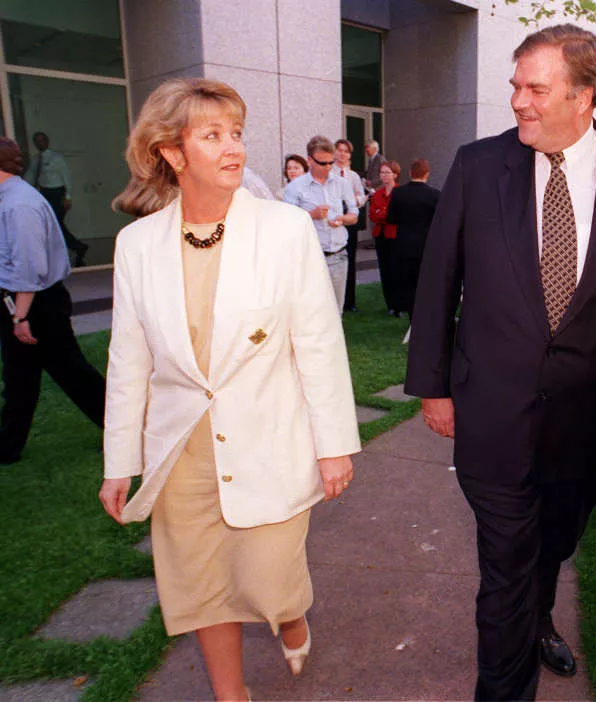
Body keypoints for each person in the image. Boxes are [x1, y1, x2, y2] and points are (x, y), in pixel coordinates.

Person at [406, 24, 596, 701]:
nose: (517, 101)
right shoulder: (479, 165)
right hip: (491, 412)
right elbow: (440, 281)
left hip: (587, 420)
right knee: (507, 567)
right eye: (515, 85)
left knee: (552, 544)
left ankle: (540, 615)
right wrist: (432, 385)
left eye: (535, 88)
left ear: (585, 96)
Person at [100, 78, 361, 702]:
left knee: (272, 582)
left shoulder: (285, 229)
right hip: (182, 449)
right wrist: (119, 463)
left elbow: (318, 344)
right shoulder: (137, 245)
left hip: (267, 436)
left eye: (237, 133)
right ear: (172, 152)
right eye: (212, 135)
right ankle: (230, 694)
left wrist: (334, 445)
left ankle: (290, 616)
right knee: (200, 583)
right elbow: (128, 361)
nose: (233, 148)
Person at [0, 138, 105, 465]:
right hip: (25, 301)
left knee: (73, 373)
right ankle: (8, 446)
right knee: (20, 377)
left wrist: (20, 318)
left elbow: (31, 268)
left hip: (34, 304)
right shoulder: (12, 199)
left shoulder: (19, 205)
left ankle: (127, 431)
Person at [284, 136, 358, 314]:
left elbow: (354, 215)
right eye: (322, 163)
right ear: (310, 160)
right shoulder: (296, 187)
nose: (328, 168)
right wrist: (312, 215)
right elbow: (287, 221)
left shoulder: (341, 183)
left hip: (339, 255)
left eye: (330, 163)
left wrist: (341, 219)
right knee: (313, 312)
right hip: (312, 257)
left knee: (336, 311)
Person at [386, 158, 440, 320]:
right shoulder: (435, 195)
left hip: (404, 244)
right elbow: (439, 221)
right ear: (427, 174)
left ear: (410, 173)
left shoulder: (398, 193)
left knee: (408, 283)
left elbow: (391, 219)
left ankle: (412, 318)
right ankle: (426, 317)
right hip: (426, 245)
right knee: (426, 283)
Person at [24, 132, 89, 266]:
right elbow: (30, 177)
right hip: (44, 193)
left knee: (56, 224)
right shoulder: (36, 159)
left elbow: (66, 177)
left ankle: (78, 247)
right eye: (36, 141)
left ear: (47, 141)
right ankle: (76, 247)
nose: (39, 143)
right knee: (51, 224)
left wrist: (68, 196)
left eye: (41, 140)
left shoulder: (56, 158)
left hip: (58, 193)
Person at [334, 139, 366, 313]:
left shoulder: (353, 176)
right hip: (333, 220)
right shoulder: (328, 174)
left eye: (346, 151)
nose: (342, 154)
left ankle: (349, 302)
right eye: (339, 150)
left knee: (350, 259)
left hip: (349, 218)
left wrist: (353, 200)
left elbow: (362, 198)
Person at [369, 160, 400, 316]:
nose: (384, 175)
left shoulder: (400, 193)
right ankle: (390, 305)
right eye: (382, 172)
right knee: (385, 270)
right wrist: (384, 214)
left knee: (396, 270)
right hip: (380, 236)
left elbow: (396, 216)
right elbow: (372, 215)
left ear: (395, 174)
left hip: (394, 235)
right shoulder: (377, 194)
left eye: (388, 172)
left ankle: (399, 305)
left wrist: (382, 214)